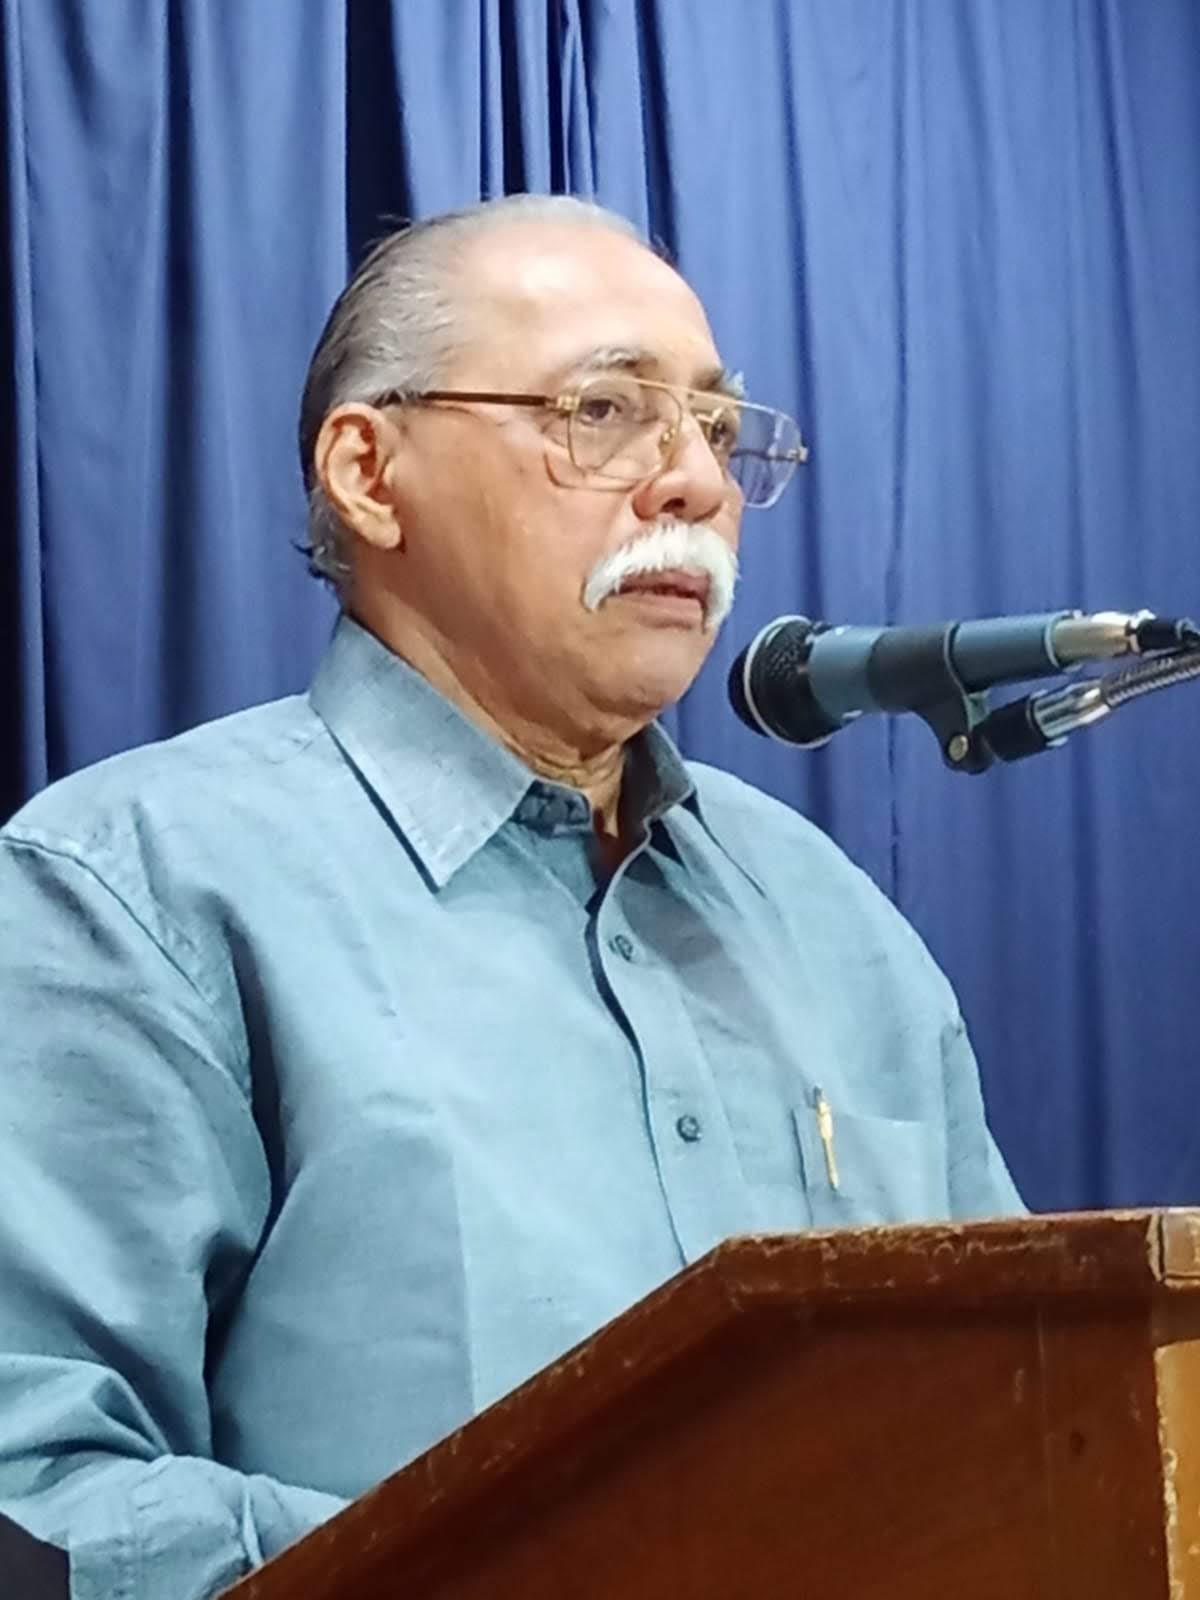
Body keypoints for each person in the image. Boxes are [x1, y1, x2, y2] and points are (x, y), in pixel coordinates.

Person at [0, 194, 1022, 1600]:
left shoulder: (834, 920)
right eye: (606, 411)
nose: (695, 482)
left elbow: (1028, 1415)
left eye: (716, 428)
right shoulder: (134, 890)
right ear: (370, 473)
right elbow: (44, 1491)